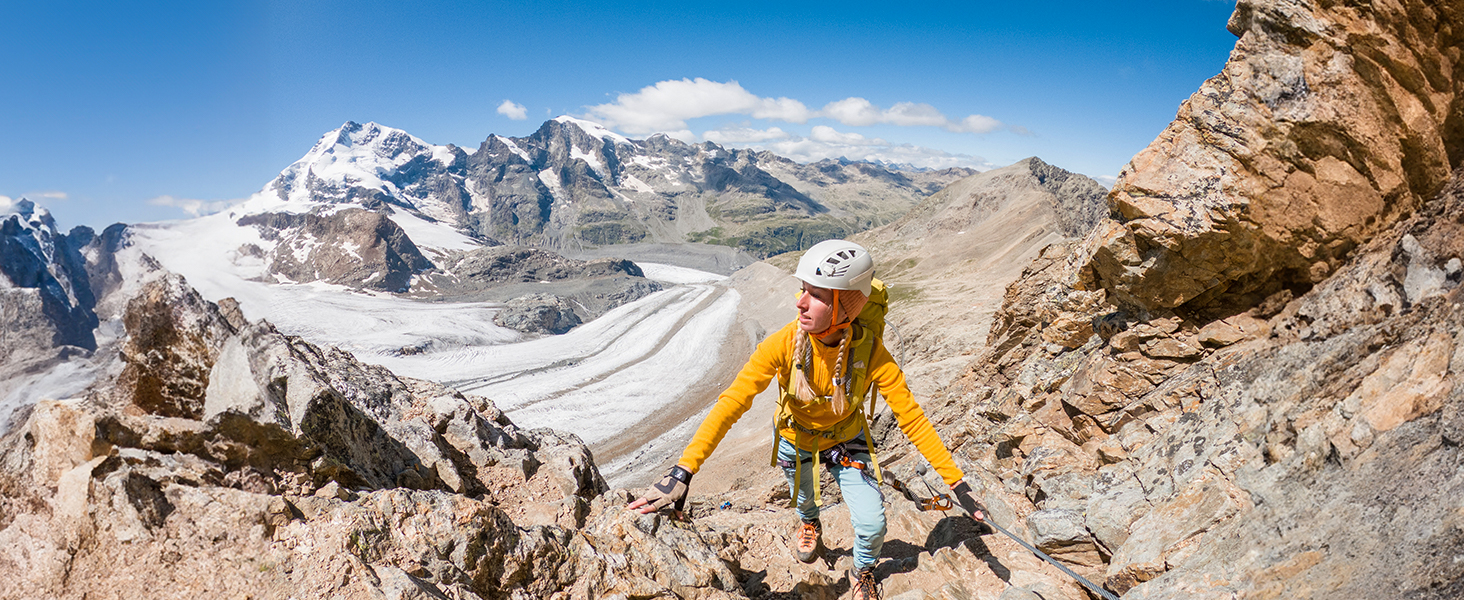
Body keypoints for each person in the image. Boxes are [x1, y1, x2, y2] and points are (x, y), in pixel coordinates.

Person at [629, 239, 983, 600]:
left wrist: (958, 485)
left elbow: (912, 418)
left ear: (846, 307)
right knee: (804, 499)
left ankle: (862, 570)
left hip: (847, 442)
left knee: (873, 523)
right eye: (803, 290)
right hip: (796, 438)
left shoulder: (871, 350)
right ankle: (810, 521)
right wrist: (683, 471)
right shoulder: (783, 343)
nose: (799, 302)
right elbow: (732, 402)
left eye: (815, 295)